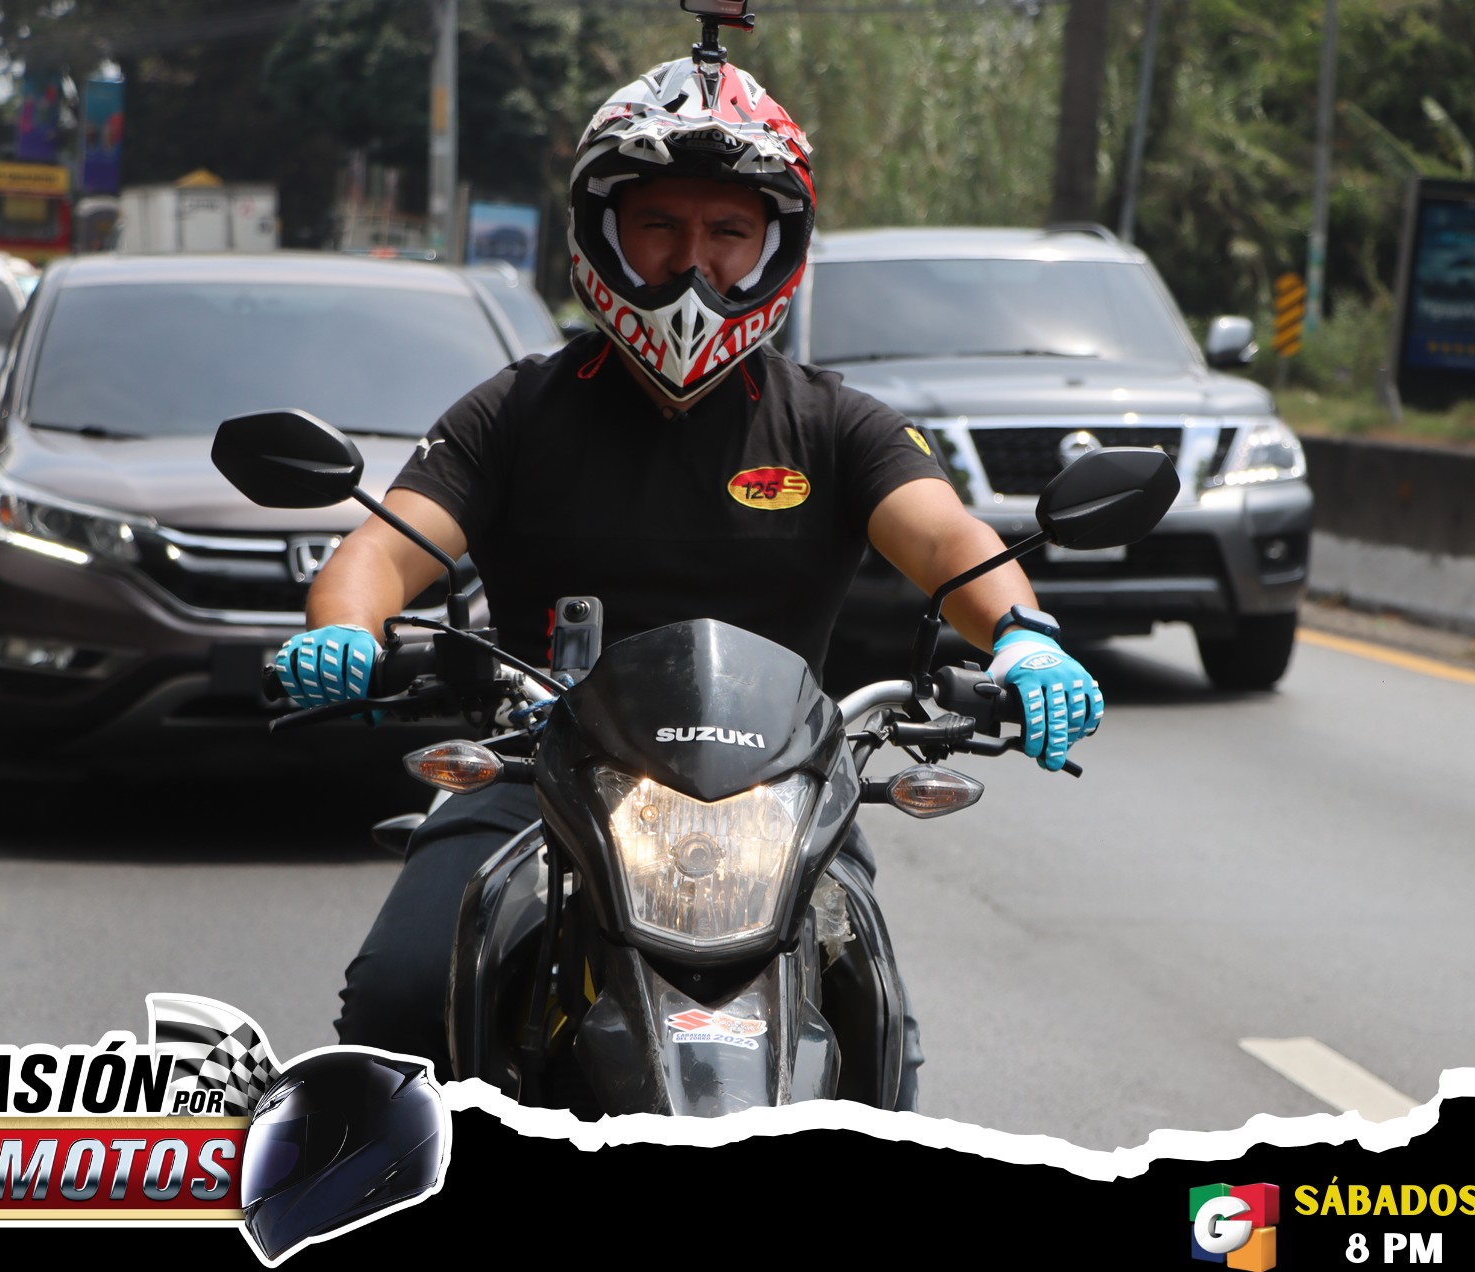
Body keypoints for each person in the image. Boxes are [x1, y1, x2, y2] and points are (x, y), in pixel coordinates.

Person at [275, 54, 1105, 1109]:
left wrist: (1024, 635)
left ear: (774, 249)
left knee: (877, 1028)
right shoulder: (517, 412)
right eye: (660, 224)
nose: (692, 261)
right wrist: (347, 628)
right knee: (399, 998)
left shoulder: (833, 422)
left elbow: (949, 540)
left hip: (781, 802)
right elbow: (384, 550)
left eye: (728, 231)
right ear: (603, 233)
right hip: (538, 777)